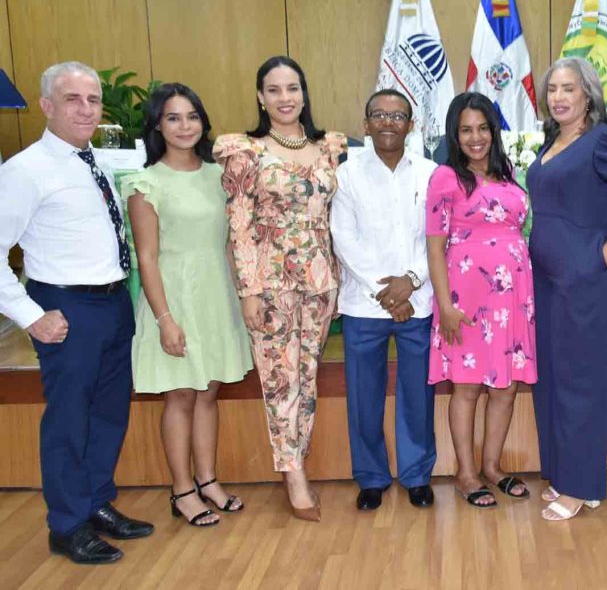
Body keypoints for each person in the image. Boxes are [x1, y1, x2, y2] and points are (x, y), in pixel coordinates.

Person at [0, 61, 154, 563]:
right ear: (47, 106)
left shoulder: (99, 163)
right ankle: (66, 525)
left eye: (92, 99)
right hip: (65, 308)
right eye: (72, 99)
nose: (86, 109)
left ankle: (95, 503)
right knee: (68, 420)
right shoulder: (24, 171)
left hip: (112, 302)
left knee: (108, 413)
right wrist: (30, 315)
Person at [214, 56, 347, 522]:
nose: (284, 97)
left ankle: (298, 460)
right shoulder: (245, 151)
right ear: (260, 97)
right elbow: (239, 225)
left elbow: (333, 219)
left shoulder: (328, 148)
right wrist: (248, 290)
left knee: (306, 377)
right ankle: (294, 475)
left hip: (320, 282)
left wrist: (337, 277)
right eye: (274, 89)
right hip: (270, 284)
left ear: (304, 94)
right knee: (279, 381)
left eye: (292, 88)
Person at [526, 57, 607, 521]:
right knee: (553, 379)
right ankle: (568, 474)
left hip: (586, 283)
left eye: (569, 88)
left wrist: (600, 258)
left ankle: (580, 486)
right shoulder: (554, 142)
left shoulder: (604, 141)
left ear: (589, 95)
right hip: (548, 283)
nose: (559, 97)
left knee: (581, 381)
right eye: (552, 89)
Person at [124, 83, 253, 527]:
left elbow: (231, 243)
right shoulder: (146, 183)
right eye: (173, 118)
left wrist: (243, 297)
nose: (185, 126)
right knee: (180, 394)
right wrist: (165, 320)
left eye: (192, 116)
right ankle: (182, 490)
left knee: (209, 391)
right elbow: (146, 258)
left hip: (216, 295)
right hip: (173, 298)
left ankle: (208, 480)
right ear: (157, 125)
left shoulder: (220, 175)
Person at [425, 92, 537, 508]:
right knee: (468, 388)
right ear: (454, 136)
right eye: (466, 130)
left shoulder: (508, 174)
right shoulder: (445, 178)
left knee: (506, 389)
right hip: (465, 301)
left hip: (513, 301)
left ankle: (492, 467)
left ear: (494, 131)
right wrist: (446, 307)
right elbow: (435, 248)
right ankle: (466, 473)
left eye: (483, 128)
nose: (476, 138)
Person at [331, 88, 437, 512]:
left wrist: (410, 281)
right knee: (364, 396)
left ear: (411, 126)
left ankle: (417, 475)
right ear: (366, 124)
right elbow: (344, 239)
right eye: (379, 115)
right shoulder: (347, 175)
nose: (388, 122)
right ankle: (371, 477)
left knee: (418, 395)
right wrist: (389, 294)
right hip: (364, 305)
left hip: (418, 301)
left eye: (397, 116)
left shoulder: (431, 174)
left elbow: (439, 236)